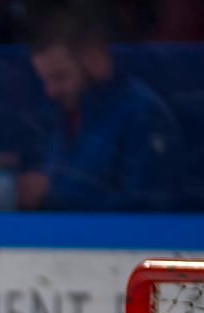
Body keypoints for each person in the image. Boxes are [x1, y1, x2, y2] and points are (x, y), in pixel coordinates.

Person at [19, 3, 179, 211]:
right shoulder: (62, 116)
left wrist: (55, 194)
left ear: (96, 60)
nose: (50, 91)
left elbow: (148, 207)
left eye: (59, 76)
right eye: (44, 80)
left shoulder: (142, 113)